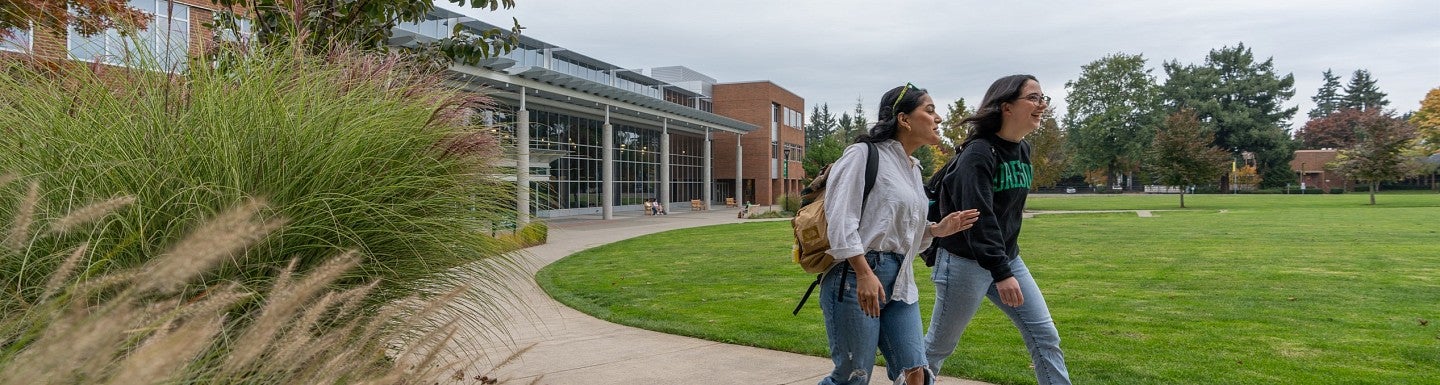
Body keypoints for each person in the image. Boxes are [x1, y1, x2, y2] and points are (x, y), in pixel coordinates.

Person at [818, 83, 980, 385]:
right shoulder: (862, 155)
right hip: (855, 278)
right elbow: (840, 221)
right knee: (852, 377)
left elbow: (900, 235)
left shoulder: (913, 168)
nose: (939, 118)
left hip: (900, 280)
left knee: (917, 372)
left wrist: (936, 229)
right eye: (929, 110)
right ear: (904, 119)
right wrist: (864, 273)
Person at [923, 75, 1072, 384]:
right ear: (1006, 106)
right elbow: (980, 217)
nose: (1041, 105)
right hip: (965, 263)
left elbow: (1007, 215)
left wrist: (1004, 266)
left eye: (1043, 98)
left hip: (1005, 258)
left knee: (1045, 334)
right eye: (1033, 98)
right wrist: (1002, 273)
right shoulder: (978, 153)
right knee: (938, 348)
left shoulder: (1023, 150)